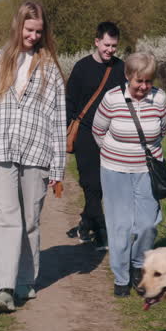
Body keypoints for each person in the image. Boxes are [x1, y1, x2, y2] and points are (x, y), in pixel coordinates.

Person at [0, 1, 67, 313]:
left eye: (39, 31)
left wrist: (58, 166)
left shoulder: (50, 67)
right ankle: (5, 288)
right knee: (4, 217)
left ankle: (26, 279)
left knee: (30, 220)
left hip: (37, 152)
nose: (33, 36)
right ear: (18, 26)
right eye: (28, 29)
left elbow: (58, 118)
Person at [91, 52, 166, 297]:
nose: (144, 87)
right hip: (115, 170)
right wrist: (115, 154)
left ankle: (138, 265)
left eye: (148, 81)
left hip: (148, 170)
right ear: (127, 77)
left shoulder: (160, 98)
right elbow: (98, 130)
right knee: (120, 226)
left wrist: (145, 154)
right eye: (139, 81)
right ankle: (121, 277)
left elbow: (162, 129)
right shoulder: (112, 99)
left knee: (148, 225)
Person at [65, 22, 126, 250]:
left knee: (108, 186)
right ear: (97, 41)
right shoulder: (82, 67)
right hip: (85, 134)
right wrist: (65, 129)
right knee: (91, 184)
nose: (110, 50)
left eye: (114, 46)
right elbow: (69, 100)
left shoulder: (121, 68)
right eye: (107, 45)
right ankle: (102, 232)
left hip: (113, 135)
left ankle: (84, 224)